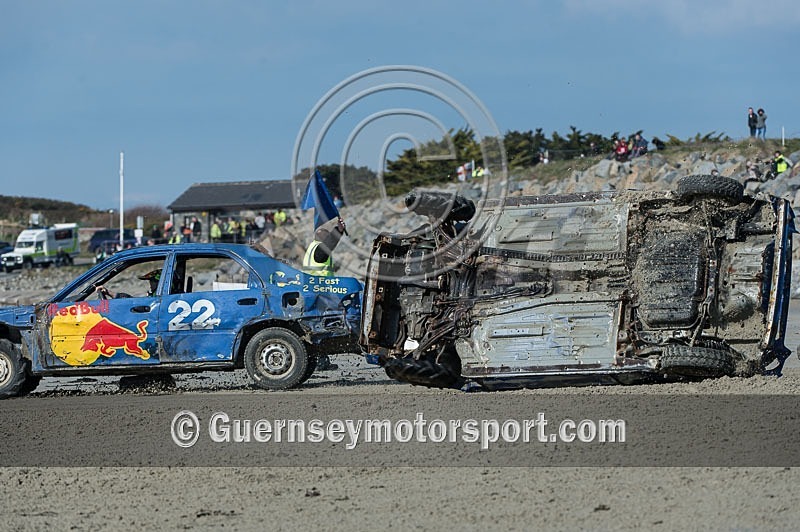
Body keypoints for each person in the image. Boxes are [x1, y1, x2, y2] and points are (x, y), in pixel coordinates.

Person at [95, 269, 161, 299]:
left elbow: (137, 306)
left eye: (152, 282)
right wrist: (109, 293)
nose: (150, 286)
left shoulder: (157, 299)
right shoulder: (159, 297)